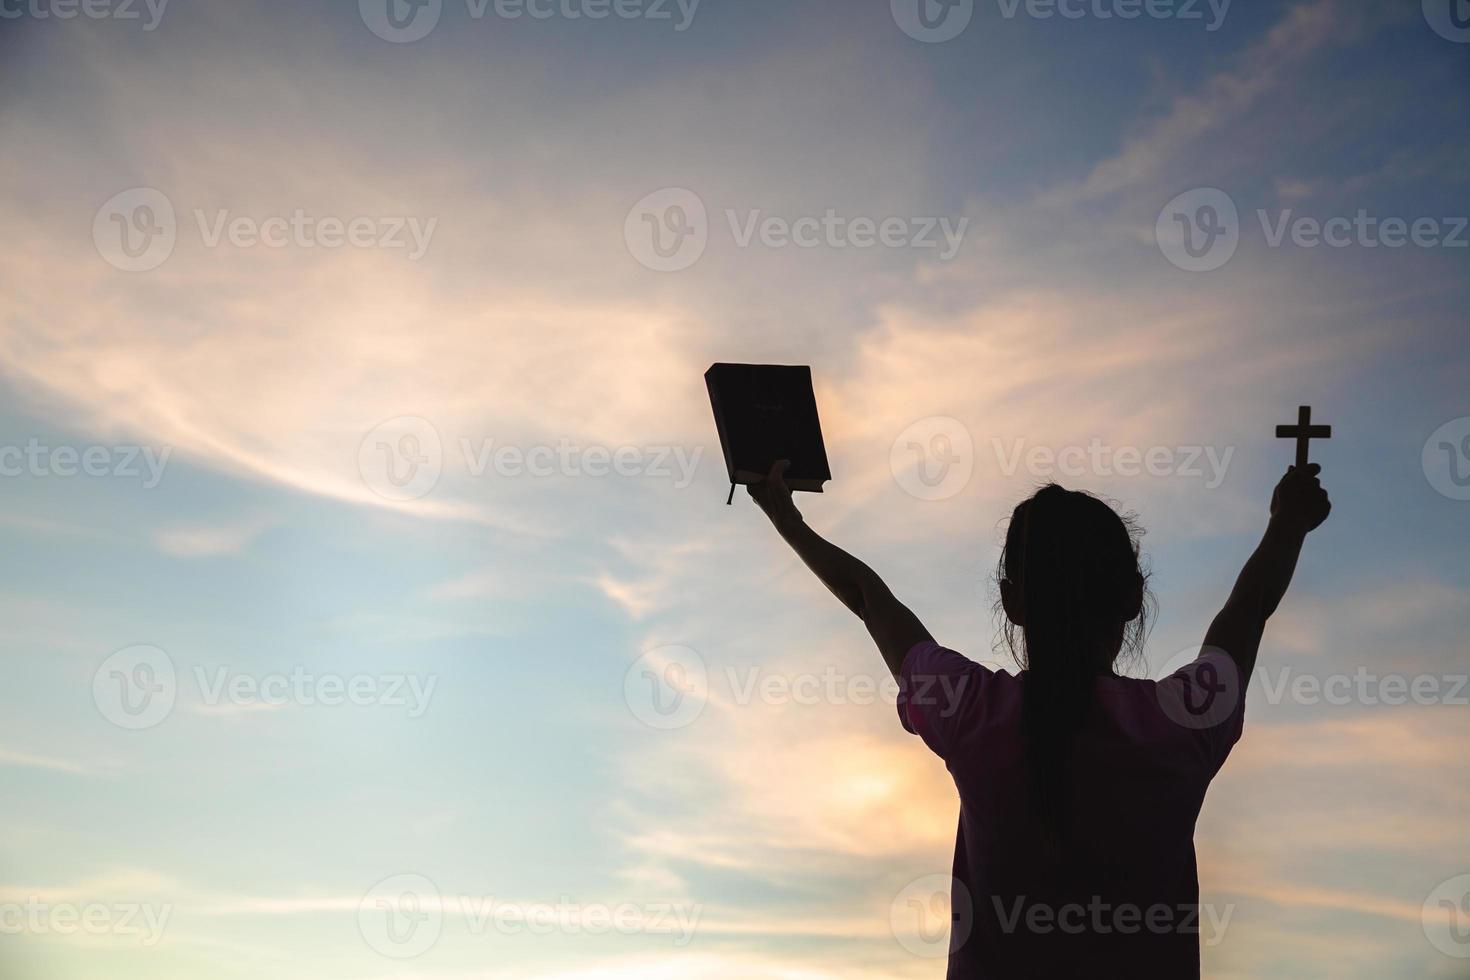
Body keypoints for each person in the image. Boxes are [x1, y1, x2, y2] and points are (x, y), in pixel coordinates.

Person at [747, 459, 1331, 978]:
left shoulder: (971, 711)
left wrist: (788, 520)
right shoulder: (1184, 722)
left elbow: (869, 598)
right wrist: (1287, 522)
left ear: (1012, 603)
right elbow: (1250, 607)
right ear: (1133, 596)